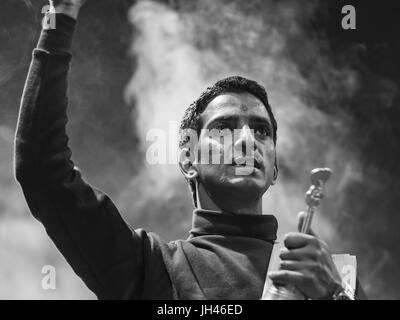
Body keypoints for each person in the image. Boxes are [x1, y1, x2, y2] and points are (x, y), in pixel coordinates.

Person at [14, 0, 364, 299]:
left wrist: (337, 294)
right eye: (224, 128)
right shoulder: (150, 268)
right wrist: (60, 16)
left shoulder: (325, 275)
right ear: (188, 158)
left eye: (261, 131)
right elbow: (43, 171)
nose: (246, 141)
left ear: (274, 170)